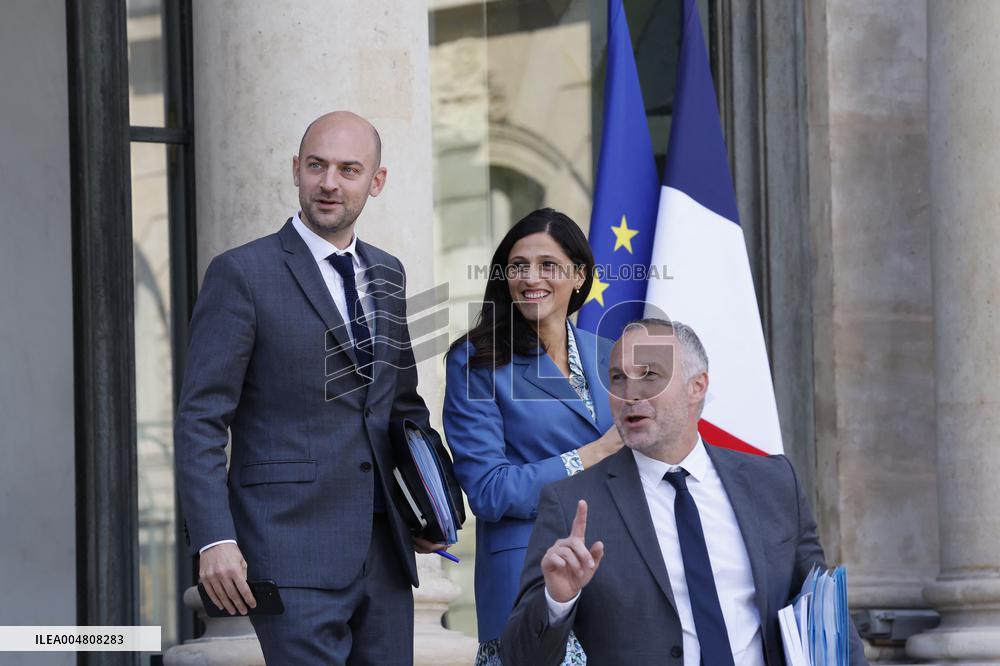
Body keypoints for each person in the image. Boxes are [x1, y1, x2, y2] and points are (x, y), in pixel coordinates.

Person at [175, 111, 448, 665]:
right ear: (296, 170)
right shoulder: (242, 274)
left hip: (386, 553)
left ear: (377, 181)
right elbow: (201, 419)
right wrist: (213, 538)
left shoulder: (388, 275)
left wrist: (428, 505)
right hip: (288, 548)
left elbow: (402, 406)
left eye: (349, 170)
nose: (330, 183)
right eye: (318, 166)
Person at [501, 319, 869, 665]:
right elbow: (520, 657)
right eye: (617, 378)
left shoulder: (773, 483)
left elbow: (825, 613)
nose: (629, 394)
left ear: (697, 386)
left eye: (649, 376)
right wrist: (557, 601)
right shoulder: (572, 504)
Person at [443, 208, 623, 665]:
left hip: (619, 581)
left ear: (579, 276)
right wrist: (590, 454)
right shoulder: (476, 361)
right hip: (528, 585)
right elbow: (489, 490)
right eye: (518, 266)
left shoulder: (609, 355)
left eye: (548, 265)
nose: (530, 278)